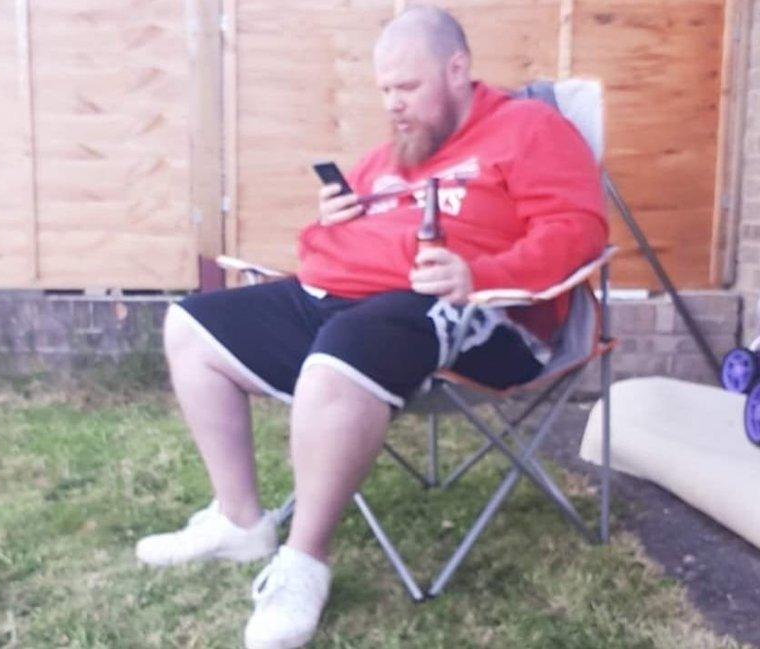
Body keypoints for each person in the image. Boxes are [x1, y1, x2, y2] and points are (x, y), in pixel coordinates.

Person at [136, 6, 607, 648]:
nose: (393, 104)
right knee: (191, 325)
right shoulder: (390, 157)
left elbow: (577, 231)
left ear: (458, 70)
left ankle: (303, 562)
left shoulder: (530, 129)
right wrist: (331, 221)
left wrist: (483, 271)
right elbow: (328, 247)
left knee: (344, 351)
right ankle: (241, 521)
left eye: (407, 87)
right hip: (345, 299)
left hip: (474, 309)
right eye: (384, 90)